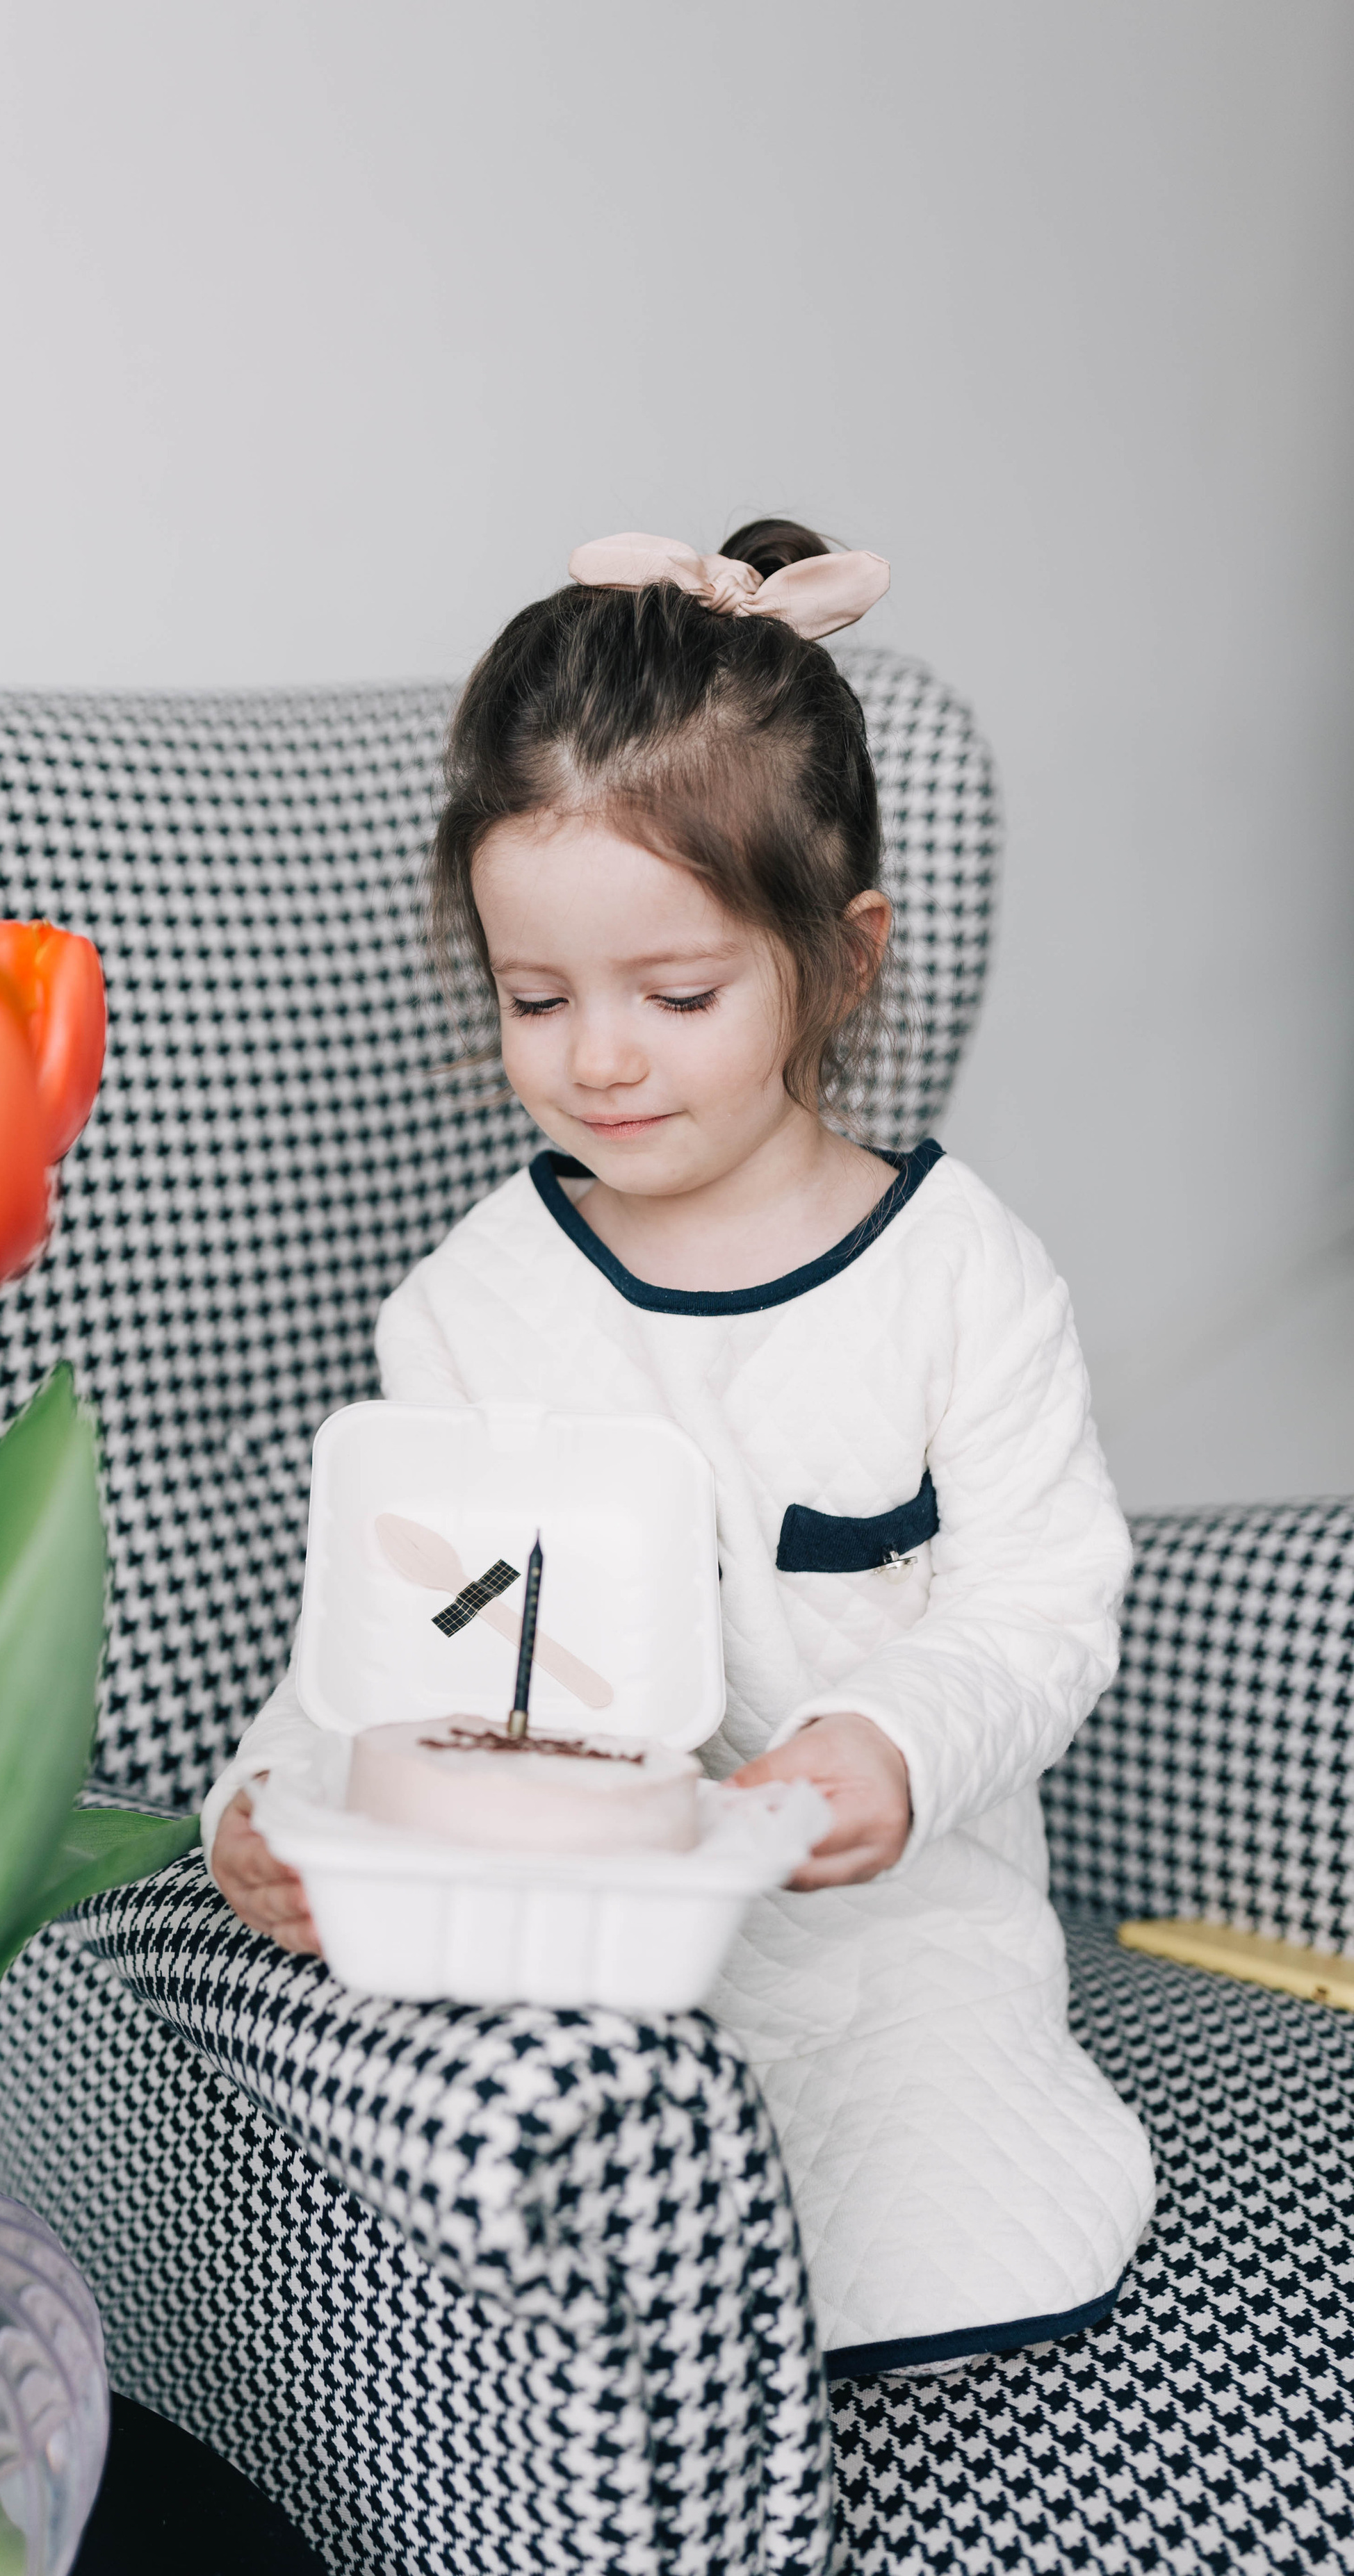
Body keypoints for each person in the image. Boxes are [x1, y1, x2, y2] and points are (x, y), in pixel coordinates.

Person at [202, 520, 1155, 2380]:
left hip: (889, 1948)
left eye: (680, 996)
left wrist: (894, 1732)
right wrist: (284, 1804)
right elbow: (414, 1615)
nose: (600, 1064)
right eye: (535, 1001)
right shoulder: (482, 1298)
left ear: (842, 958)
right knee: (563, 2288)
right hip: (567, 1950)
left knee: (950, 2254)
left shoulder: (960, 1278)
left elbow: (1045, 1601)